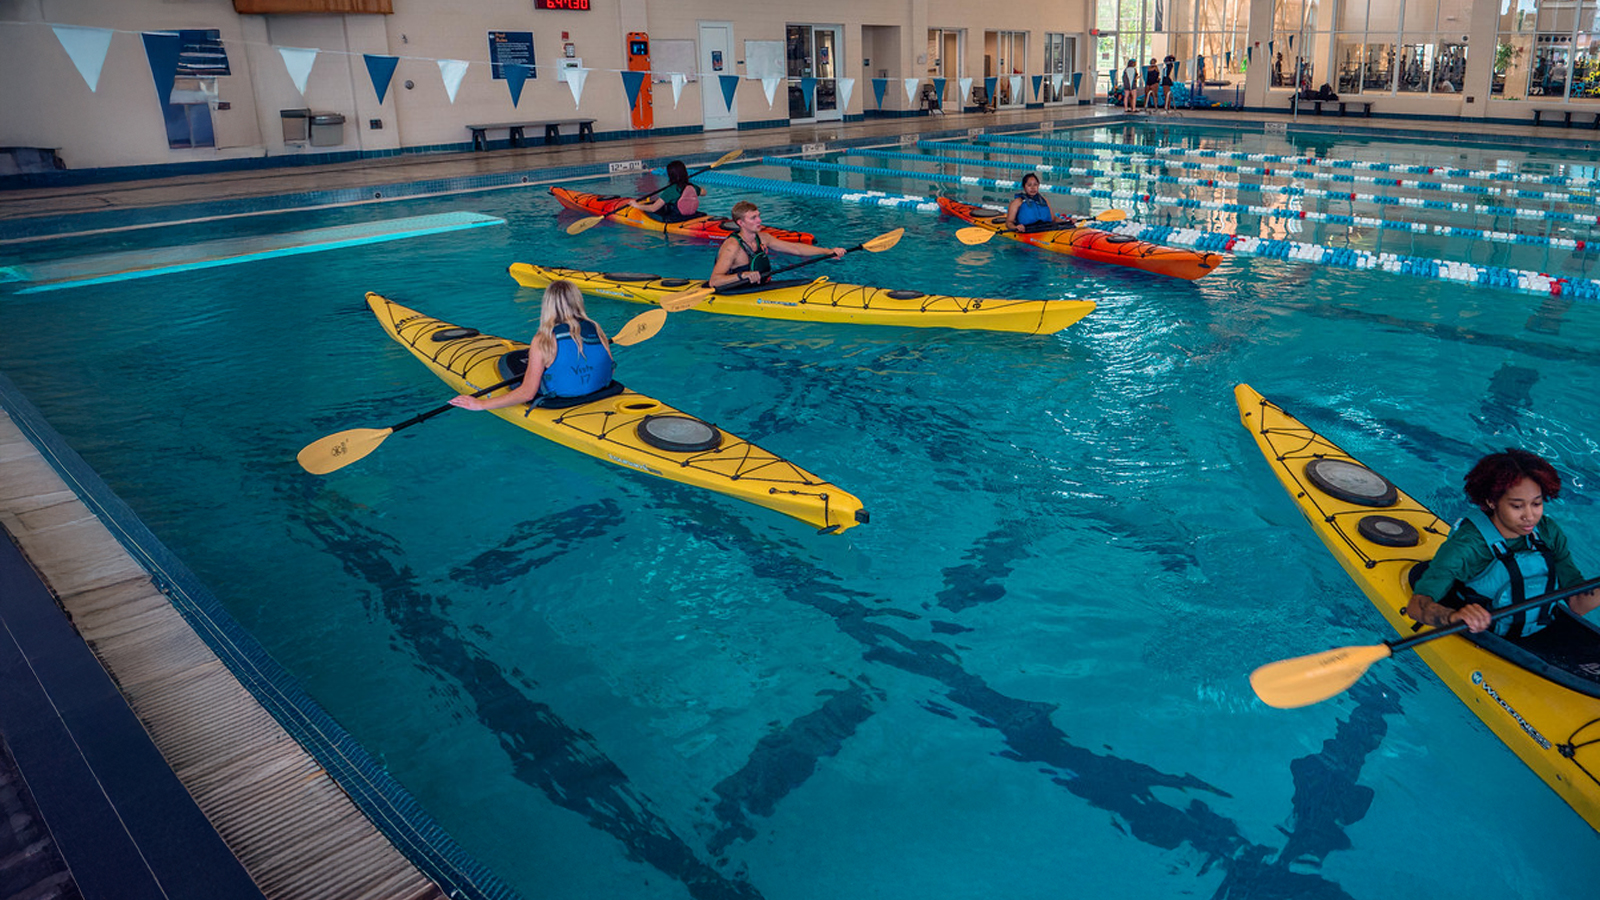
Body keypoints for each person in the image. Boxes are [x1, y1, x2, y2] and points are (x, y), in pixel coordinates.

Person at [1406, 449, 1600, 651]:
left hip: (1538, 628)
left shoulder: (1548, 532)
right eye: (1517, 506)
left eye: (1537, 504)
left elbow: (1578, 603)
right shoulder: (1467, 546)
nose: (1530, 516)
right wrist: (1453, 617)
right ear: (1491, 501)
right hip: (1485, 636)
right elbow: (1416, 605)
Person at [448, 280, 614, 411]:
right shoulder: (596, 328)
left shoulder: (544, 339)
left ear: (547, 305)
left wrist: (480, 404)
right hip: (600, 390)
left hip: (561, 398)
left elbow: (527, 394)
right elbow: (609, 367)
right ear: (578, 301)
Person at [710, 200, 845, 288]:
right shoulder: (732, 246)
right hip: (739, 293)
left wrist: (827, 251)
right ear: (740, 223)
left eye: (758, 216)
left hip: (763, 287)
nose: (760, 220)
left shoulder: (763, 238)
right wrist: (742, 275)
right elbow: (714, 281)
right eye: (753, 218)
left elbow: (796, 249)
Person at [629, 160, 701, 223]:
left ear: (670, 176)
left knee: (648, 212)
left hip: (676, 220)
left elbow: (653, 208)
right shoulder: (692, 187)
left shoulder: (670, 190)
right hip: (691, 216)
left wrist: (637, 205)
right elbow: (704, 192)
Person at [1005, 172, 1070, 231]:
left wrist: (1067, 222)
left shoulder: (1044, 200)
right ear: (1024, 187)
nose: (1033, 188)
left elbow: (1053, 219)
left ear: (1038, 186)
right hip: (1028, 231)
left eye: (1035, 185)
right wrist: (1016, 227)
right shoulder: (1017, 202)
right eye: (1029, 185)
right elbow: (1009, 222)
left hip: (1047, 229)